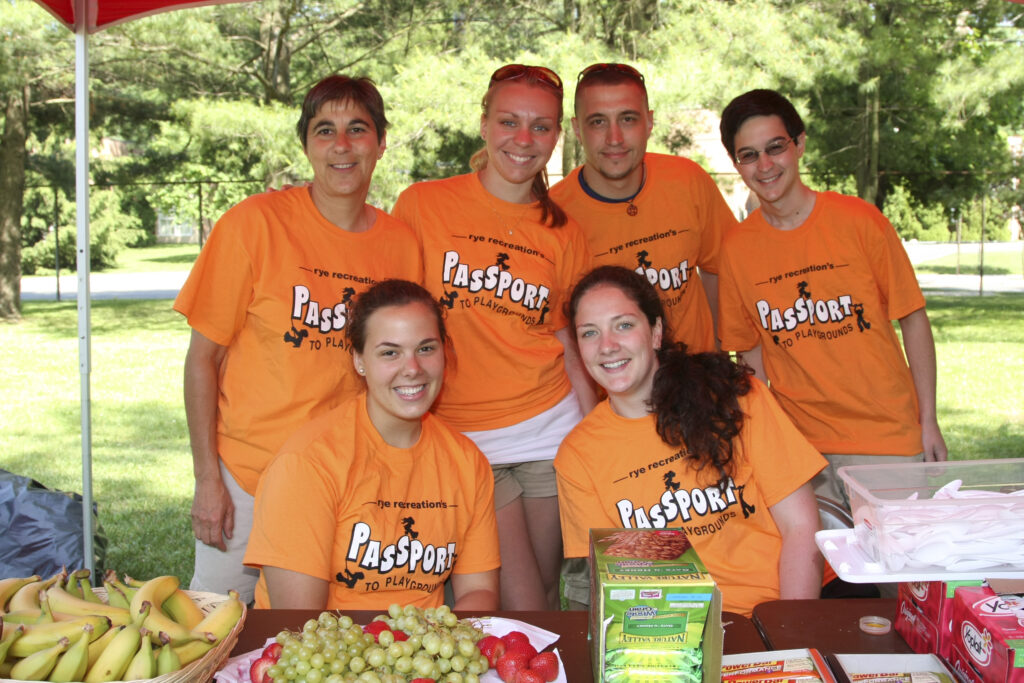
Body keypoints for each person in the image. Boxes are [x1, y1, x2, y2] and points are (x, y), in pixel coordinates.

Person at [174, 75, 423, 604]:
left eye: (358, 129)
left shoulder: (401, 244)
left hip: (348, 478)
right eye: (324, 130)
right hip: (248, 477)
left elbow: (407, 366)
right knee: (216, 627)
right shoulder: (253, 225)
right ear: (306, 143)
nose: (341, 145)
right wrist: (207, 481)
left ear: (380, 142)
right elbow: (202, 361)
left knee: (322, 634)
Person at [391, 64, 595, 610]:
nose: (524, 140)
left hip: (548, 429)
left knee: (549, 590)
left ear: (558, 135)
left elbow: (568, 340)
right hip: (458, 434)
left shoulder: (563, 231)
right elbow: (393, 323)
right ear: (483, 124)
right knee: (513, 598)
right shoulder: (422, 206)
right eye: (509, 121)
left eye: (542, 127)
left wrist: (598, 430)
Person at [716, 89, 947, 508]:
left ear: (799, 144)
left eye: (775, 148)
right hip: (801, 449)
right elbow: (749, 356)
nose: (765, 166)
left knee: (899, 572)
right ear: (736, 164)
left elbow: (912, 319)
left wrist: (927, 420)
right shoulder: (736, 249)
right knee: (818, 573)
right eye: (749, 155)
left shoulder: (859, 221)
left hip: (887, 440)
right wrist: (762, 441)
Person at [554, 265, 825, 617]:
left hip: (771, 615)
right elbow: (617, 583)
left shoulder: (733, 397)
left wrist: (791, 633)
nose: (607, 346)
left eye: (623, 325)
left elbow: (801, 526)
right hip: (670, 634)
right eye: (590, 333)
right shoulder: (578, 455)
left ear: (655, 332)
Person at [244, 280, 500, 610]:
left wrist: (435, 648)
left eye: (425, 348)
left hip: (427, 652)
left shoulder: (467, 461)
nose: (412, 369)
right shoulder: (307, 463)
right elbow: (299, 621)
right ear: (359, 360)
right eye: (390, 353)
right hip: (329, 650)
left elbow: (479, 592)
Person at [550, 63, 736, 354]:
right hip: (613, 387)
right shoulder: (555, 213)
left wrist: (719, 357)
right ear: (576, 129)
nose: (614, 138)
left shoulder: (687, 180)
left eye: (627, 119)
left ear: (649, 122)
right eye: (598, 121)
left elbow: (719, 270)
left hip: (696, 379)